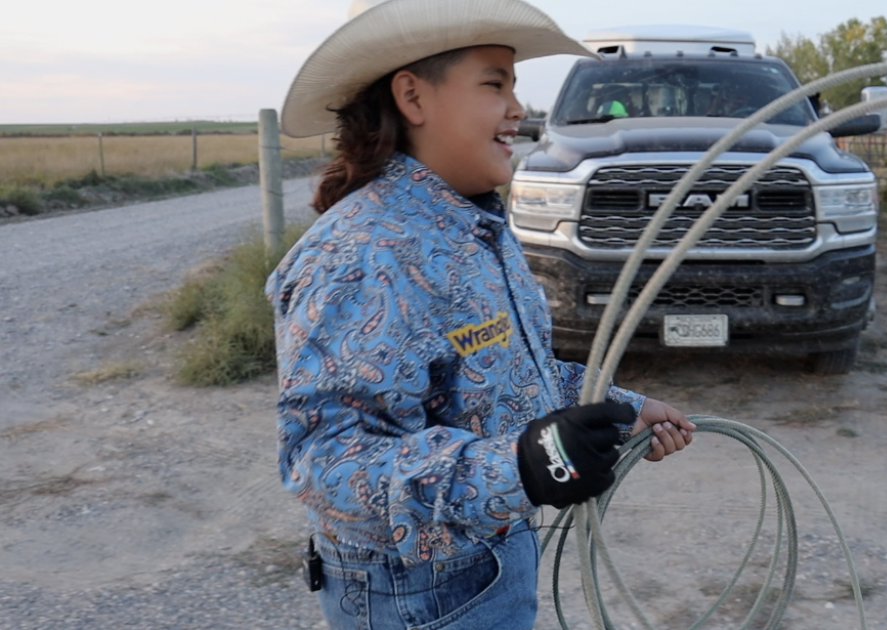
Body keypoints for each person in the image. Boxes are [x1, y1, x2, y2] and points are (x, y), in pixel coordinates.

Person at [265, 1, 695, 629]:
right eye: (495, 83)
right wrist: (524, 465)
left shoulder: (472, 226)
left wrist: (621, 409)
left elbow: (505, 370)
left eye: (514, 85)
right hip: (416, 595)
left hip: (480, 563)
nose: (518, 109)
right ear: (413, 97)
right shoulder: (360, 253)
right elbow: (327, 464)